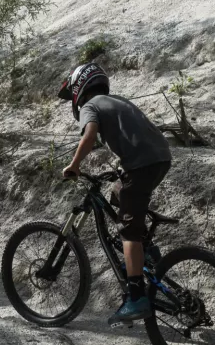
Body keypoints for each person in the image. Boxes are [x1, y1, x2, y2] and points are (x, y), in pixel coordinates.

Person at [57, 63, 172, 323]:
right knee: (119, 192)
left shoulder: (90, 106)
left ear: (79, 88)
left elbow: (89, 135)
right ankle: (147, 252)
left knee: (128, 230)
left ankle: (136, 297)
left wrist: (74, 165)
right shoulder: (117, 100)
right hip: (161, 157)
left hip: (142, 164)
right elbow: (135, 134)